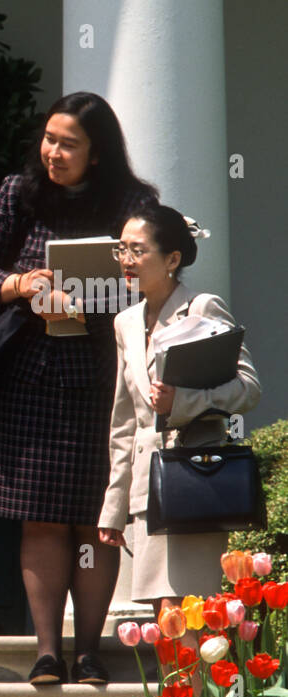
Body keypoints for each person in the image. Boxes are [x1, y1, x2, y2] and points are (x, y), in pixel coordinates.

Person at [0, 92, 158, 686]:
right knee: (40, 519)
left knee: (95, 520)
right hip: (30, 376)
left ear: (97, 153)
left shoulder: (133, 202)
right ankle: (48, 651)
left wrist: (89, 298)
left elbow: (150, 279)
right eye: (49, 139)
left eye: (69, 143)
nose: (54, 152)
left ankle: (90, 649)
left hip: (102, 377)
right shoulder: (17, 192)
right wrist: (21, 284)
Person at [97, 204, 260, 628]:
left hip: (197, 480)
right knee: (164, 626)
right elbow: (124, 423)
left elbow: (248, 389)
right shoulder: (125, 323)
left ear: (172, 259)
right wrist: (114, 510)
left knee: (193, 622)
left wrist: (182, 402)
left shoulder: (203, 307)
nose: (127, 261)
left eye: (137, 250)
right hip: (148, 492)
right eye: (121, 250)